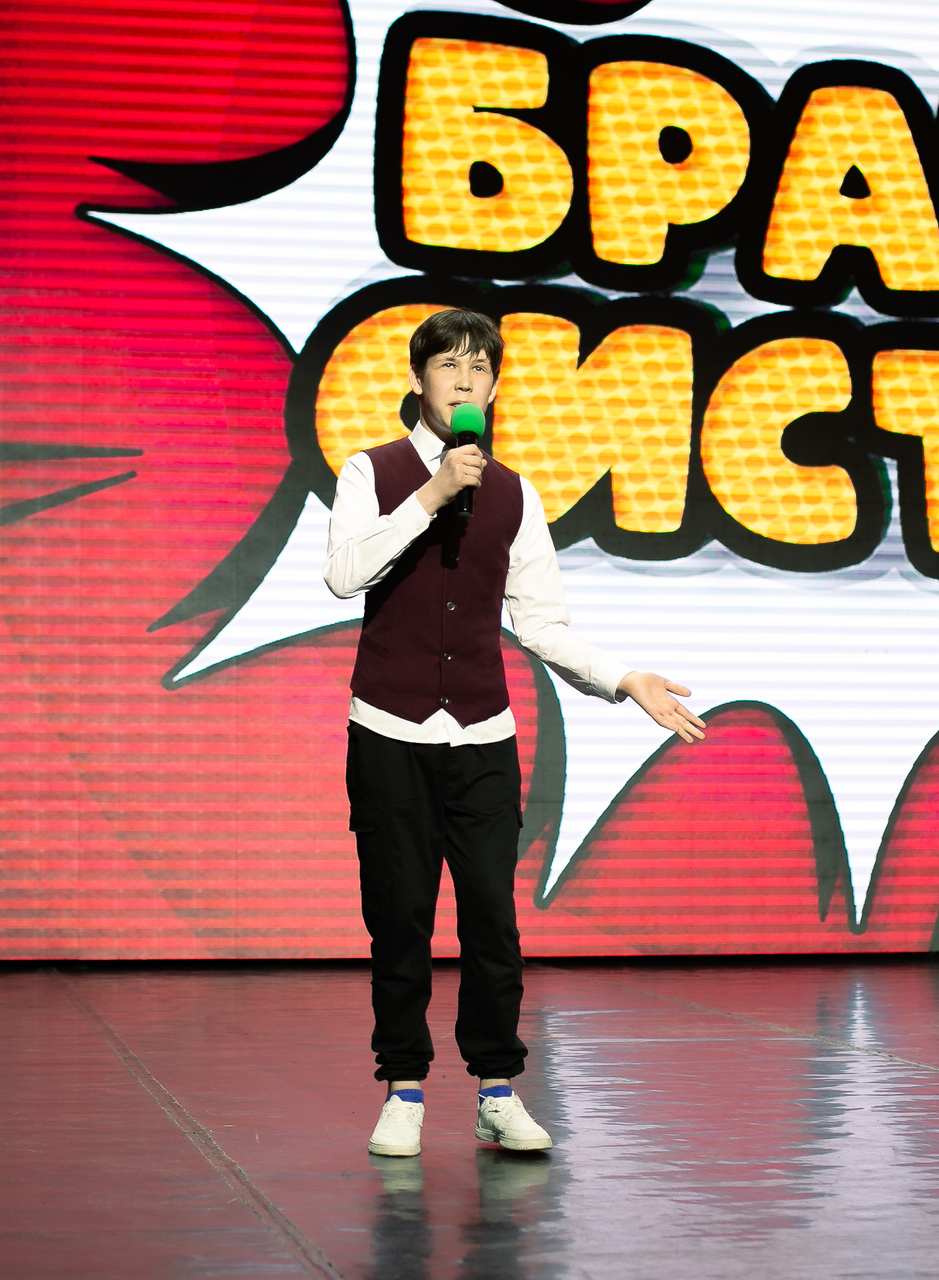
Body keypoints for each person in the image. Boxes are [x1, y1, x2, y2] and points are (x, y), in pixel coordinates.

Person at [323, 308, 706, 1158]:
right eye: (448, 366)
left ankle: (497, 1089)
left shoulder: (515, 494)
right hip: (388, 734)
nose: (464, 381)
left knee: (493, 921)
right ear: (418, 380)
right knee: (400, 920)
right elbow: (343, 575)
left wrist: (623, 679)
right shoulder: (371, 471)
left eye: (480, 369)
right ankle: (404, 1088)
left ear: (494, 389)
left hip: (482, 738)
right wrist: (431, 496)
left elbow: (541, 624)